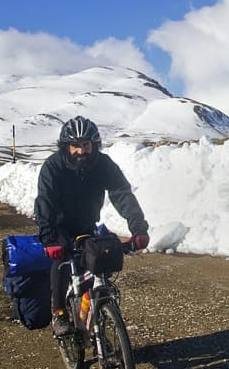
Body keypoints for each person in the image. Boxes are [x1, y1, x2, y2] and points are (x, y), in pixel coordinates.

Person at [34, 116, 150, 336]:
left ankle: (95, 320)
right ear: (66, 147)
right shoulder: (53, 166)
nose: (81, 151)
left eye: (86, 145)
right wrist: (49, 239)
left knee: (97, 262)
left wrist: (138, 228)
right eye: (75, 146)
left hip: (86, 224)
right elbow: (45, 202)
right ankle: (58, 311)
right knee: (61, 262)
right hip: (58, 226)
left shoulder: (102, 164)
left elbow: (121, 193)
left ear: (93, 145)